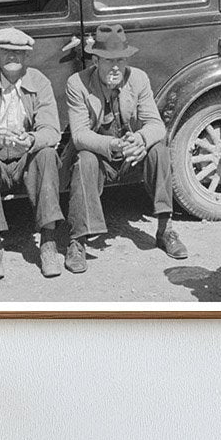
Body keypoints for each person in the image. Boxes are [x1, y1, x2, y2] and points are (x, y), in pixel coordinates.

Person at [64, 22, 188, 273]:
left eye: (121, 60)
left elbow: (156, 124)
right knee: (84, 159)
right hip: (101, 157)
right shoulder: (77, 84)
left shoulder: (138, 78)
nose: (116, 67)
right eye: (109, 61)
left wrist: (140, 140)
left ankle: (165, 228)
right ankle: (77, 240)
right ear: (95, 60)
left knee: (159, 150)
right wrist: (112, 145)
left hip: (130, 155)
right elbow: (79, 135)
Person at [0, 27, 64, 280]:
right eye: (6, 51)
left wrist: (30, 139)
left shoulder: (39, 81)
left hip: (25, 160)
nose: (12, 57)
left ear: (27, 57)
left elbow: (52, 130)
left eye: (18, 53)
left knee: (47, 154)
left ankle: (49, 242)